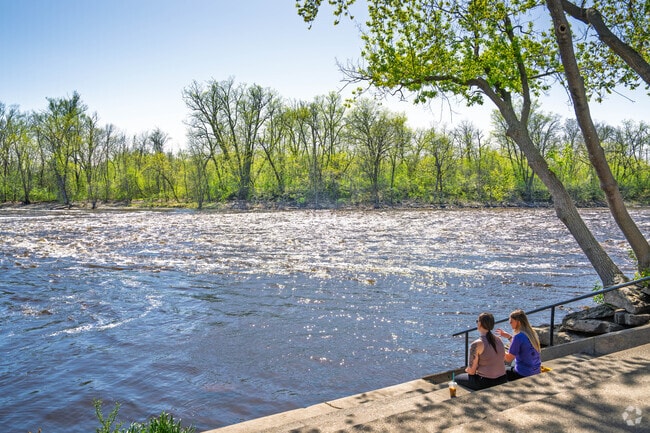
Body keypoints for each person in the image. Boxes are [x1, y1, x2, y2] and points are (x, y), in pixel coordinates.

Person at [455, 312, 508, 391]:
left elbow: (471, 371)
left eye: (477, 321)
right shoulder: (499, 339)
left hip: (486, 382)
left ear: (480, 324)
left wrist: (467, 369)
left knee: (456, 378)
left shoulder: (476, 344)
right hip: (502, 379)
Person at [496, 309, 542, 380]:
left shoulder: (518, 337)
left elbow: (508, 359)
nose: (510, 323)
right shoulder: (532, 333)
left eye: (511, 322)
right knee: (512, 365)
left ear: (518, 322)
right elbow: (521, 346)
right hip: (536, 371)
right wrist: (509, 337)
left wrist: (499, 346)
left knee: (500, 371)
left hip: (524, 373)